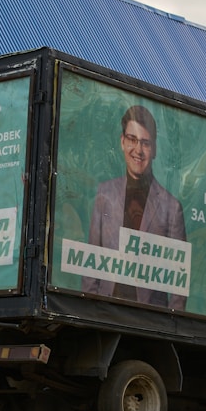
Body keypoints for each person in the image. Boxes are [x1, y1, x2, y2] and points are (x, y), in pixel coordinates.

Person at [84, 104, 186, 309]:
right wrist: (90, 312)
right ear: (122, 142)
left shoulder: (171, 207)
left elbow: (179, 282)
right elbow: (91, 264)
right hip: (104, 313)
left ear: (154, 149)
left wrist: (165, 324)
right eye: (132, 139)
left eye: (145, 143)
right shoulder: (104, 194)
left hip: (148, 320)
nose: (138, 150)